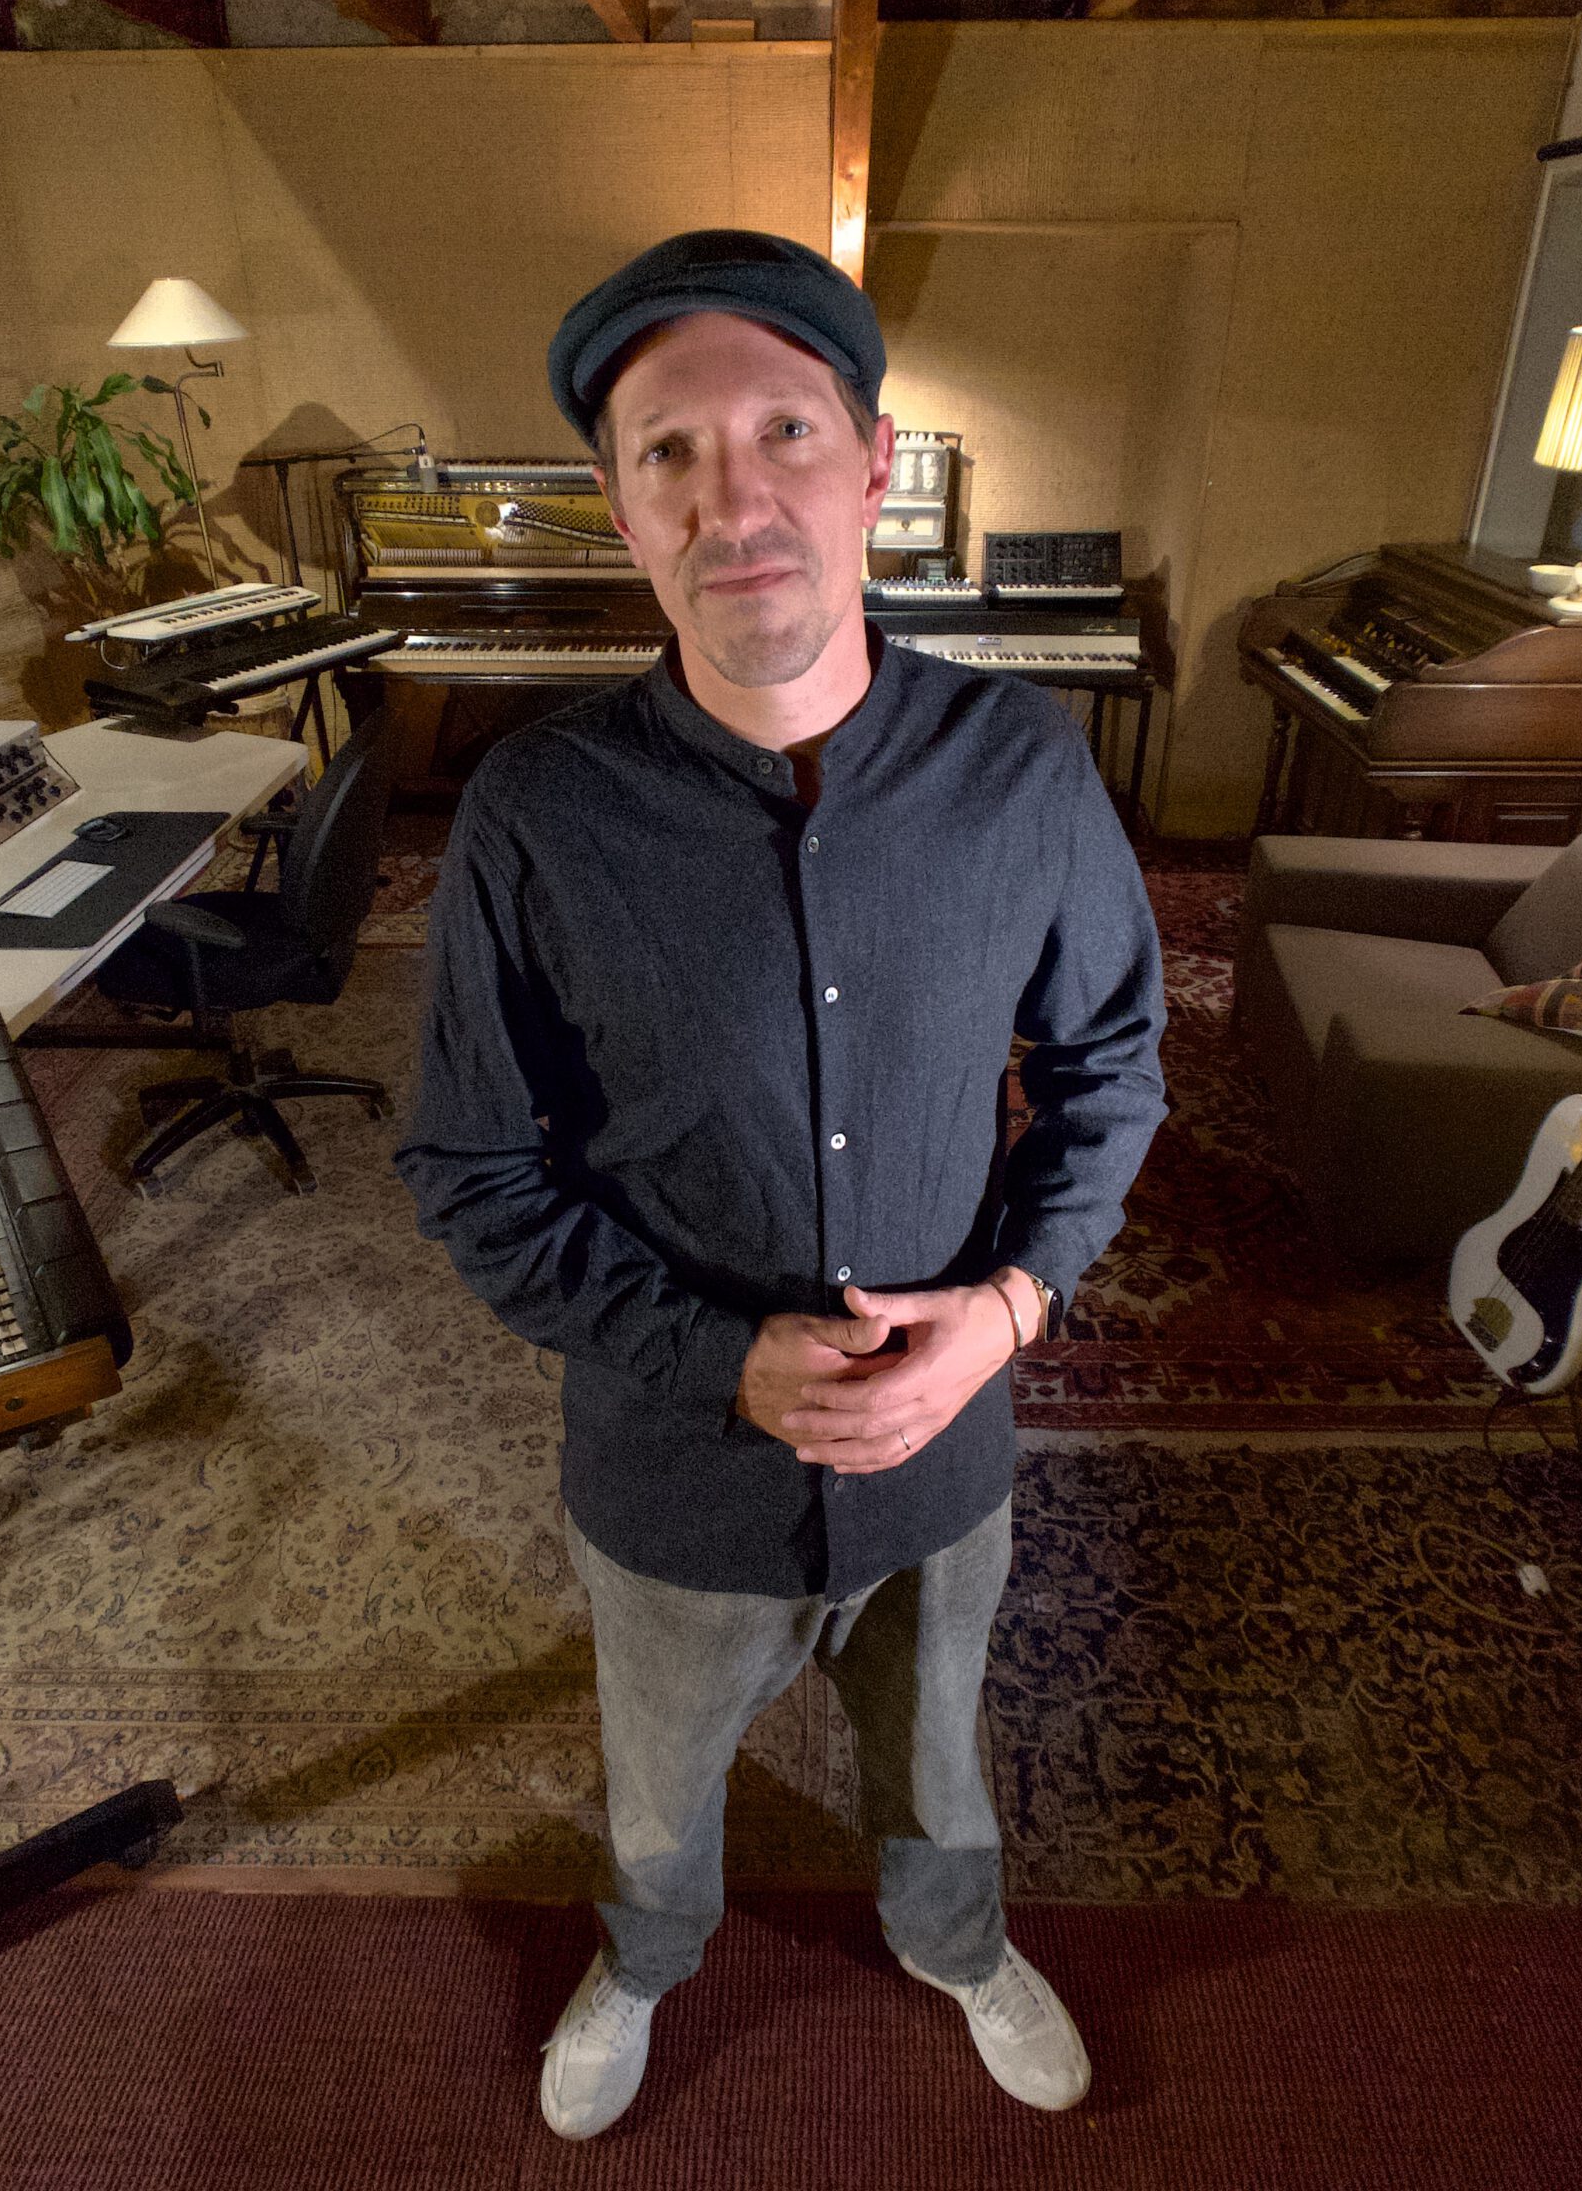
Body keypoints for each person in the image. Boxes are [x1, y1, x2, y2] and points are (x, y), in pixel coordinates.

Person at [396, 228, 1166, 2140]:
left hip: (946, 1451)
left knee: (936, 1747)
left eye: (783, 434)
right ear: (617, 506)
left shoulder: (1022, 766)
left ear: (873, 462)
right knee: (659, 1775)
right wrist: (712, 1356)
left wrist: (1004, 1313)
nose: (733, 501)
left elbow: (1111, 1068)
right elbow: (471, 1169)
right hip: (670, 1466)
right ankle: (649, 1959)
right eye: (668, 451)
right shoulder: (535, 811)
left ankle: (954, 1939)